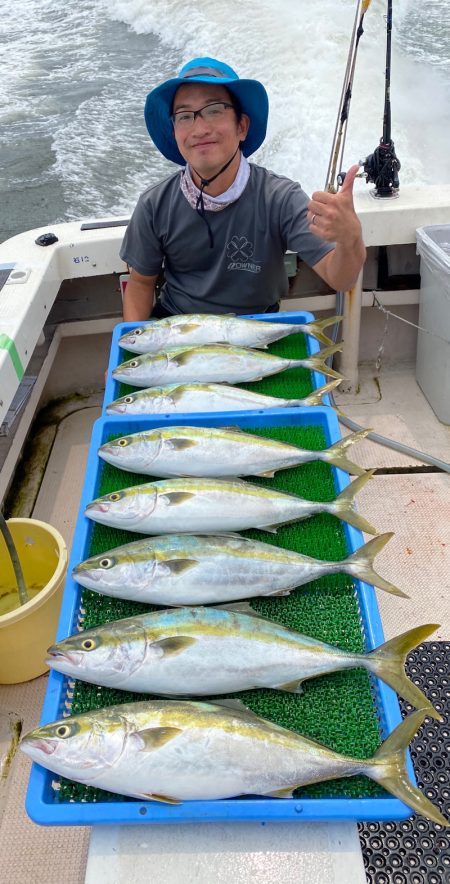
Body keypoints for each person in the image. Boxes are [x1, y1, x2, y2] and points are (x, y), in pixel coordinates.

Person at [120, 57, 366, 322]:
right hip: (179, 327)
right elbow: (141, 284)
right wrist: (132, 347)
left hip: (258, 326)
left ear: (242, 126)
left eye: (214, 110)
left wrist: (350, 239)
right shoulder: (154, 204)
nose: (200, 128)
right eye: (185, 116)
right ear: (175, 132)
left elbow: (340, 278)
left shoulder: (279, 198)